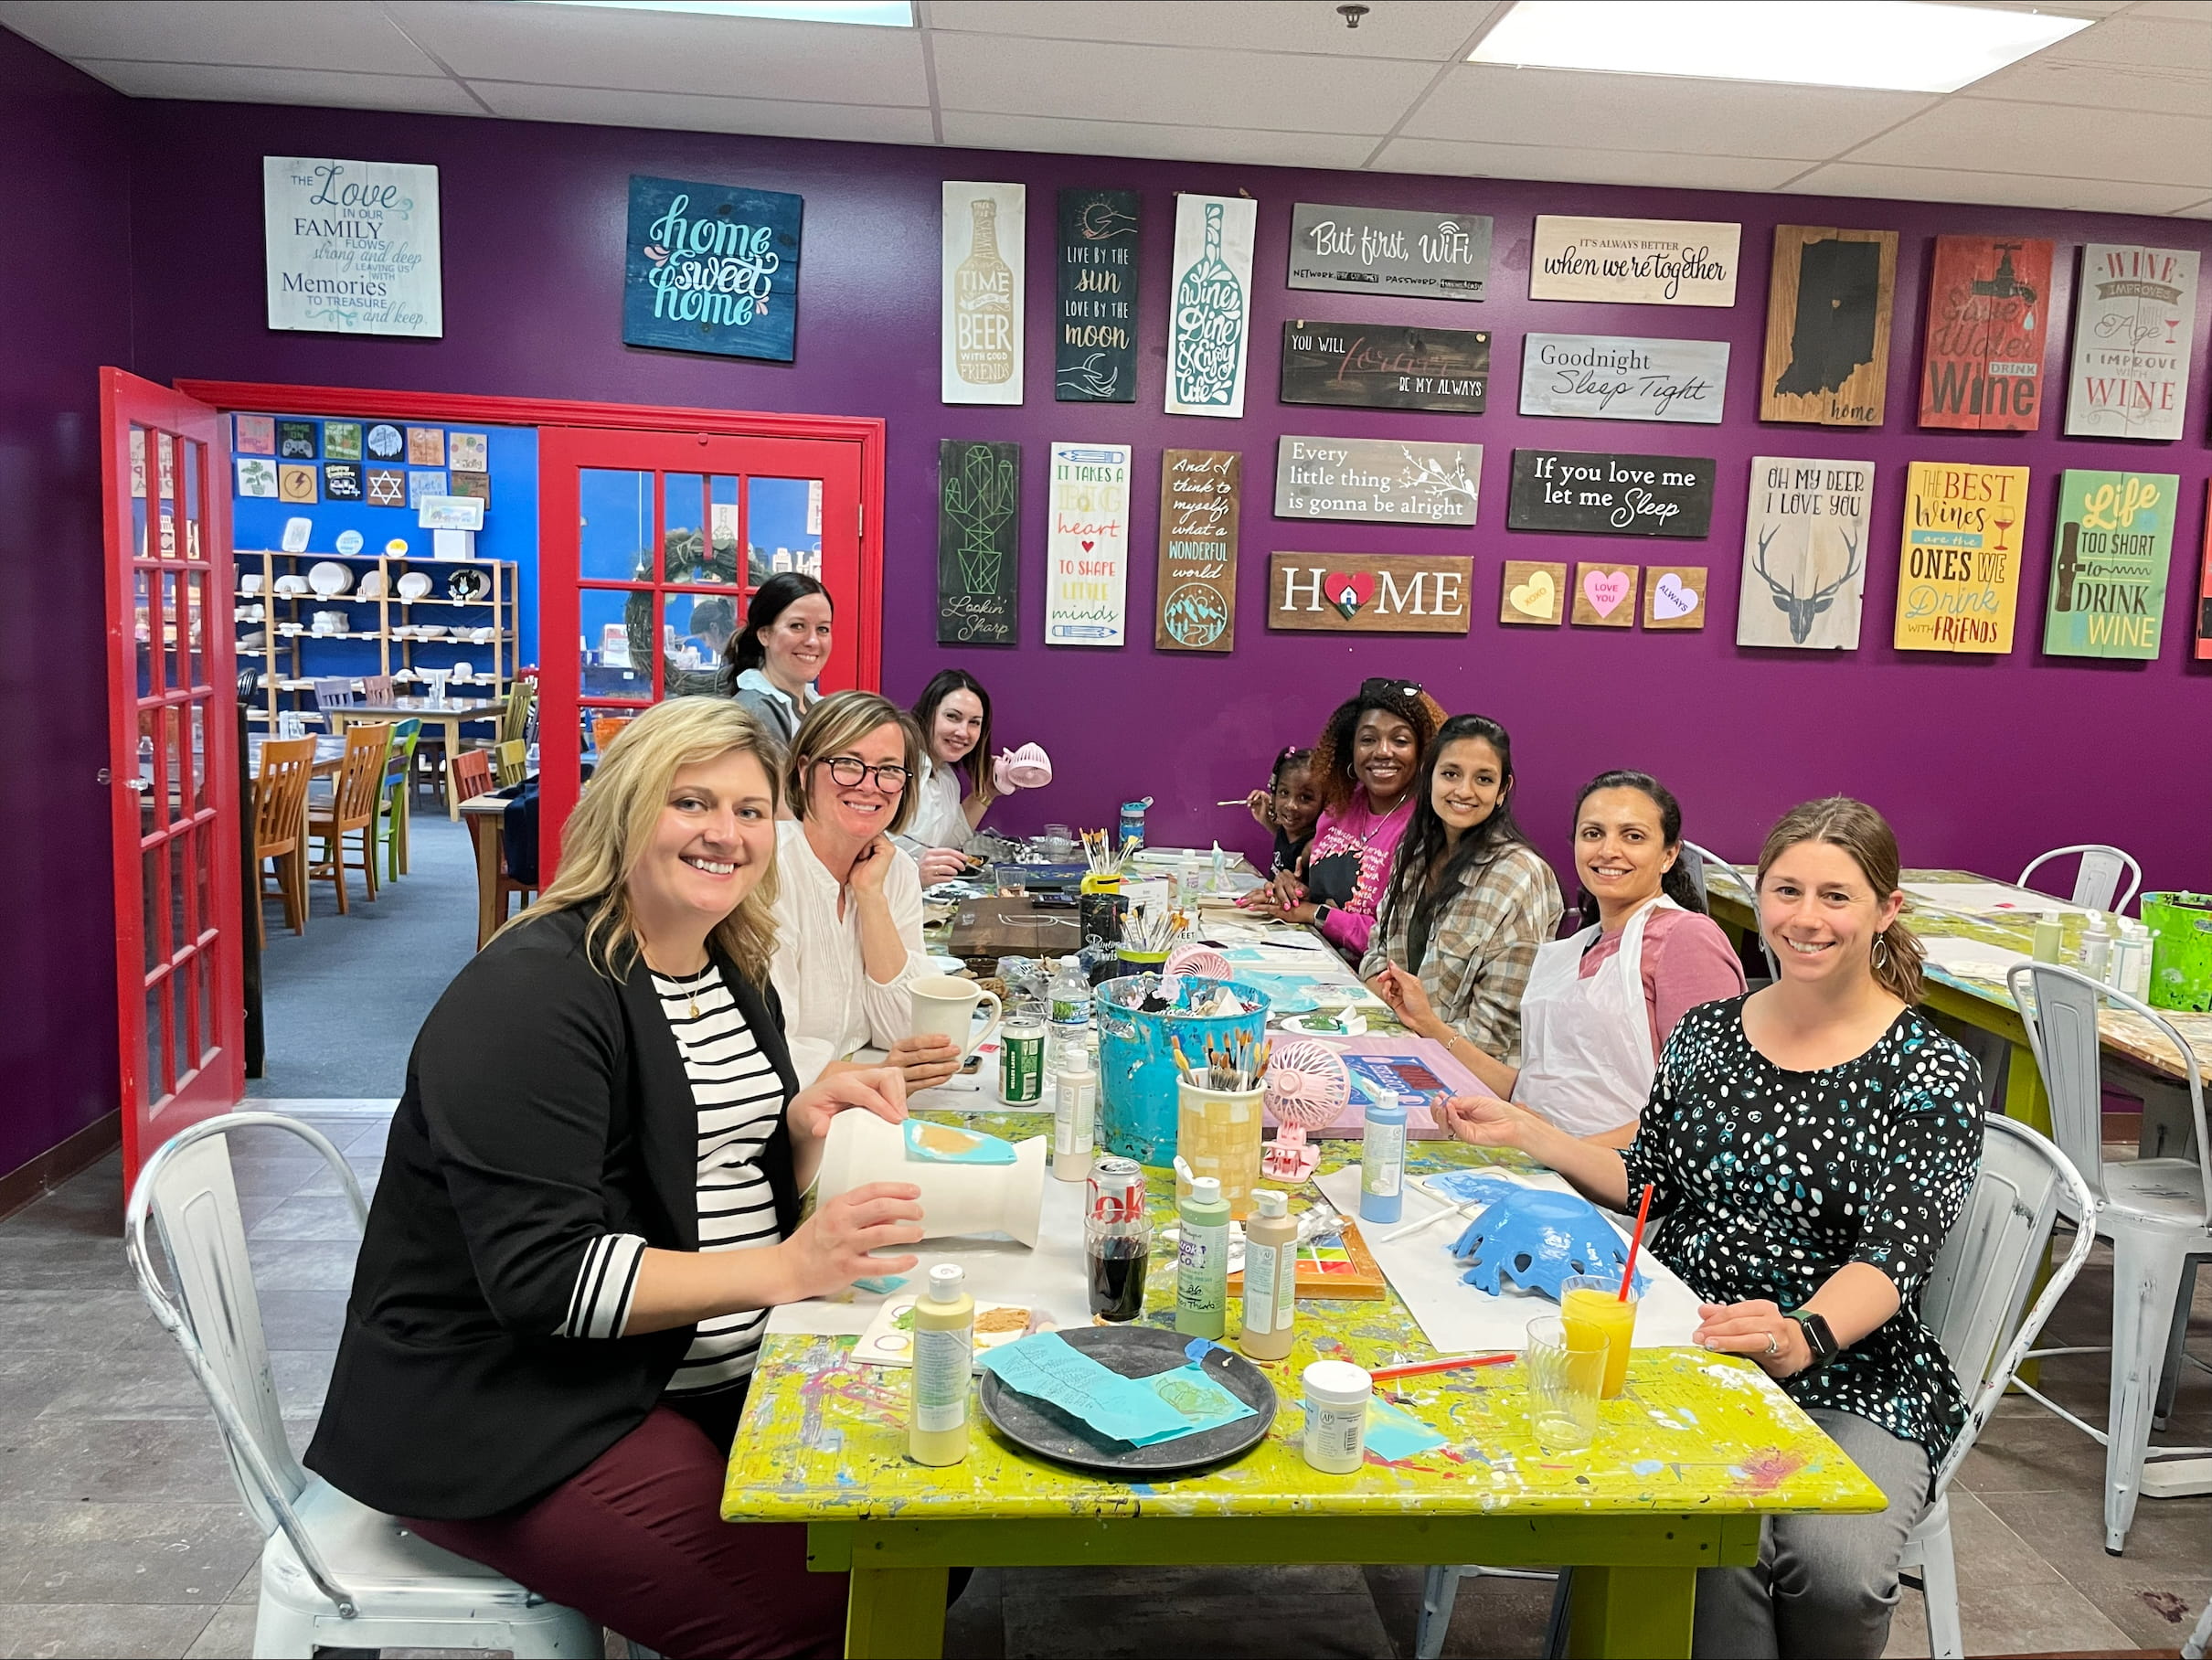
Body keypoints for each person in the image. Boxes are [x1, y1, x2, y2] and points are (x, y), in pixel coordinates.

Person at [303, 698, 927, 1658]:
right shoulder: (532, 994)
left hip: (668, 1371)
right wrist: (786, 1268)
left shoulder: (727, 962)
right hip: (513, 1405)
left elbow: (709, 1168)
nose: (725, 833)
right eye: (691, 802)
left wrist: (801, 1127)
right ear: (624, 811)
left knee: (922, 1535)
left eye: (749, 810)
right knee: (831, 1606)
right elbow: (545, 1280)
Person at [1444, 796, 1982, 1660]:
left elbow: (1896, 1254)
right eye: (1787, 891)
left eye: (1836, 897)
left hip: (1848, 1360)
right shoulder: (1709, 1034)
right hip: (1688, 1335)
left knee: (1834, 1569)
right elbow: (1647, 1177)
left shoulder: (1930, 1068)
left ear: (1887, 910)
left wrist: (1800, 1335)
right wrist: (1530, 1134)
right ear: (1757, 898)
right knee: (1701, 1536)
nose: (1805, 918)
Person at [1398, 769, 1746, 1144]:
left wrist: (1555, 1149)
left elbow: (1704, 1107)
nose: (1608, 850)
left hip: (1622, 1174)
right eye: (1593, 833)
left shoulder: (1687, 940)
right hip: (1549, 1157)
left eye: (1633, 836)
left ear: (1669, 855)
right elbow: (1536, 1090)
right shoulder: (1569, 951)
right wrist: (1429, 1025)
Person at [770, 690, 961, 1092]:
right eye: (847, 764)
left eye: (889, 770)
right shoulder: (768, 869)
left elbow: (905, 1031)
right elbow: (768, 1049)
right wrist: (877, 1075)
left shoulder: (896, 871)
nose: (869, 785)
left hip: (855, 1095)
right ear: (804, 771)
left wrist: (871, 897)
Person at [1361, 715, 1563, 1068]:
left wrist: (1422, 1025)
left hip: (1471, 1076)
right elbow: (1376, 953)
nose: (1464, 791)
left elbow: (1492, 1037)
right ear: (1430, 776)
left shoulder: (1520, 877)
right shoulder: (1415, 852)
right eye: (1451, 774)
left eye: (1483, 779)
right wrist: (1398, 1006)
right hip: (1403, 1045)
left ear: (1503, 790)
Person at [1247, 677, 1442, 959]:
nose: (1382, 751)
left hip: (1375, 979)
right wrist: (1292, 893)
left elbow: (1400, 943)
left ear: (1423, 750)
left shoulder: (1428, 826)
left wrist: (1315, 913)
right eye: (1368, 740)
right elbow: (1330, 899)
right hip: (1315, 960)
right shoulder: (1338, 809)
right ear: (1350, 748)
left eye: (1400, 740)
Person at [899, 668, 1014, 882]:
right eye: (952, 717)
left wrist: (987, 791)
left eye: (974, 722)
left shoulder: (947, 778)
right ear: (928, 713)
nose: (963, 732)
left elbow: (946, 844)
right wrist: (912, 877)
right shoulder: (897, 768)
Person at [719, 572, 832, 747]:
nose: (813, 641)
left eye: (823, 629)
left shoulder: (814, 704)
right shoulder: (753, 715)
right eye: (797, 626)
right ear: (765, 635)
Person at [1242, 744, 1321, 876]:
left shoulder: (1313, 846)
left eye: (1305, 797)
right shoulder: (1287, 830)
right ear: (1274, 792)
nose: (1291, 805)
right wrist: (1265, 818)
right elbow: (1283, 839)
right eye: (1284, 793)